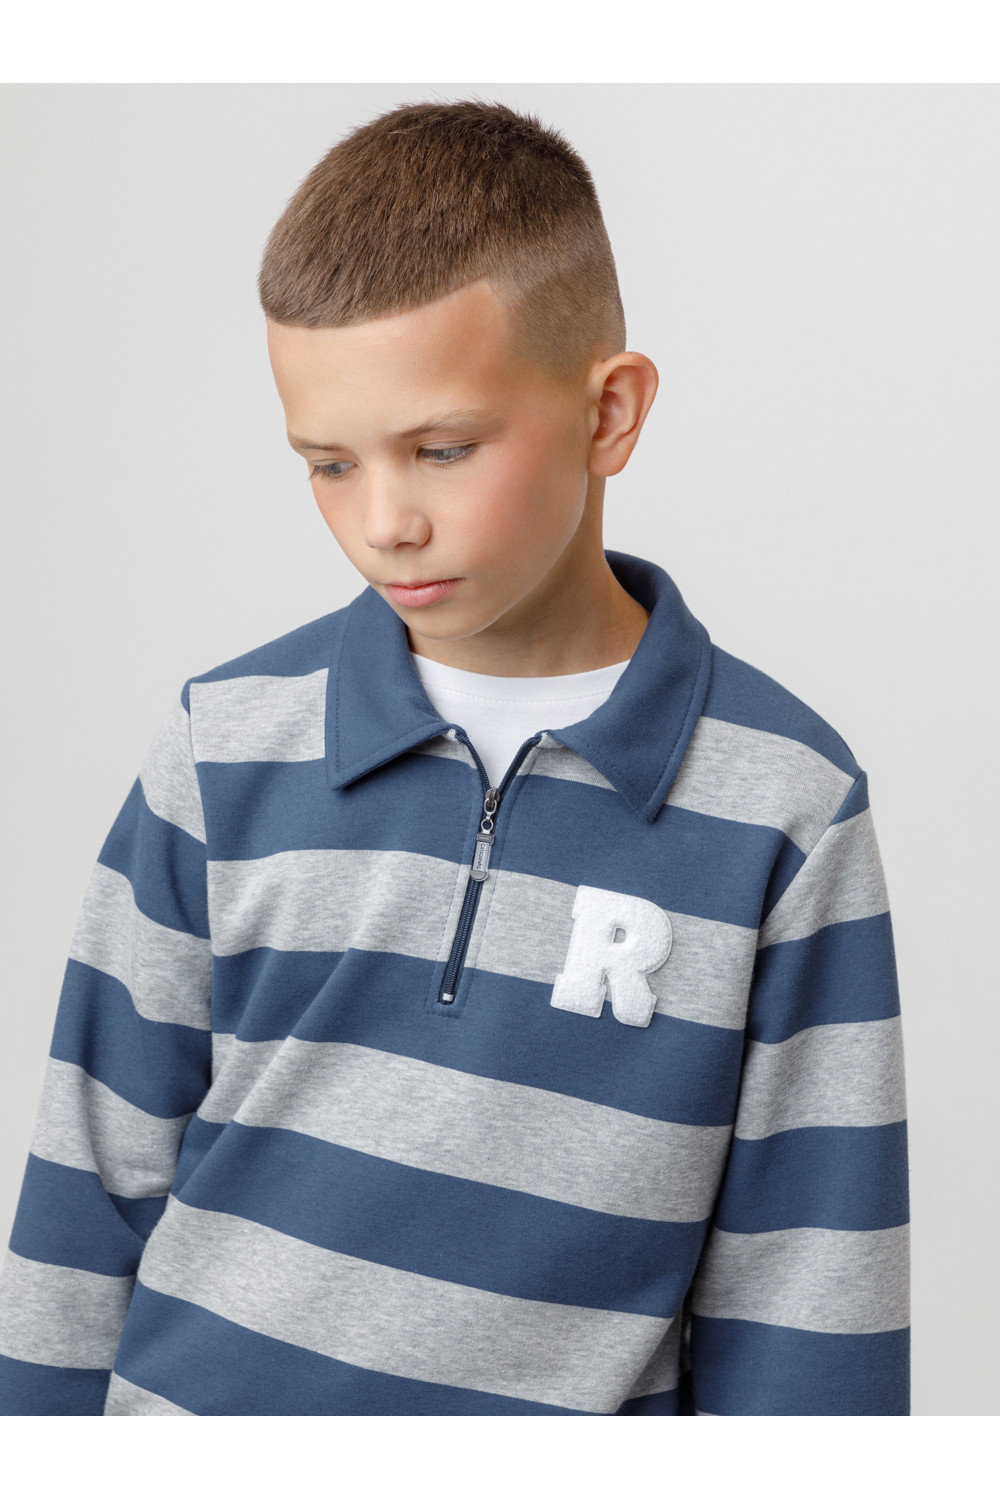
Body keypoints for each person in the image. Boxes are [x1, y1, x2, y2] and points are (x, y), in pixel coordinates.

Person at [0, 99, 909, 1416]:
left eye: (442, 450)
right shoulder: (224, 745)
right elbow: (87, 1185)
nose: (385, 522)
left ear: (610, 413)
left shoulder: (785, 806)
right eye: (329, 464)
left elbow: (813, 1286)